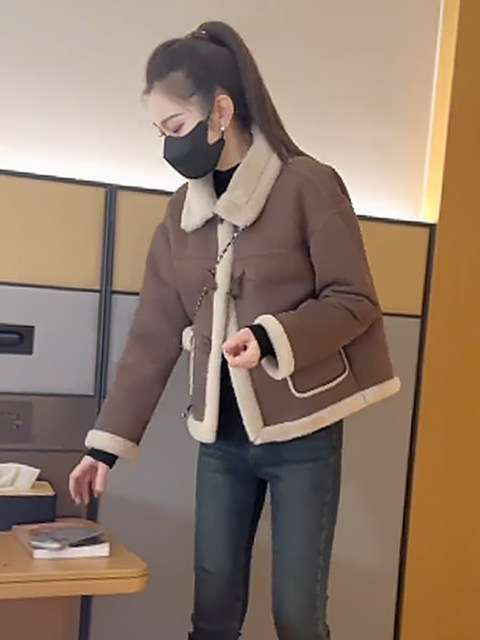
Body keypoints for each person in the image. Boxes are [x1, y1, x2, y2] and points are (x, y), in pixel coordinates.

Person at [69, 21, 400, 640]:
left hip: (303, 433)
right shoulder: (181, 213)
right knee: (213, 613)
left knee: (298, 616)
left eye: (175, 127)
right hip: (220, 437)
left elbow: (354, 301)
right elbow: (152, 335)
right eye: (160, 133)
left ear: (220, 112)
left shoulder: (307, 185)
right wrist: (104, 446)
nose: (169, 147)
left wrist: (272, 337)